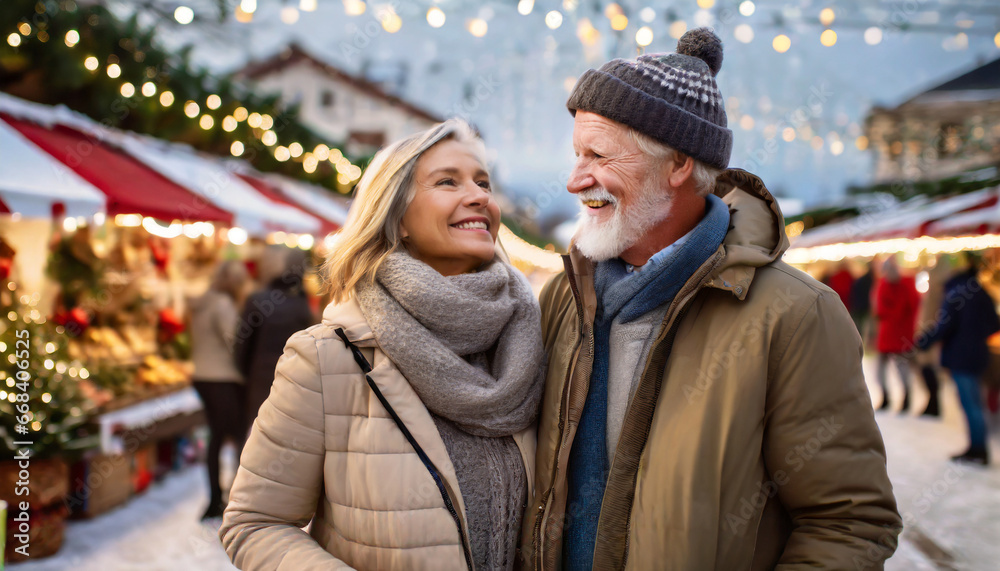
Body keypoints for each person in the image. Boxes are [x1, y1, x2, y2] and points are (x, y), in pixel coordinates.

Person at [519, 28, 901, 570]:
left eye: (599, 155)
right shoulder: (564, 295)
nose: (575, 180)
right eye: (577, 154)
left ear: (678, 164)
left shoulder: (794, 316)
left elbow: (849, 521)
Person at [219, 120, 546, 570]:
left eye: (482, 182)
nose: (479, 196)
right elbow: (255, 523)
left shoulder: (534, 341)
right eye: (448, 181)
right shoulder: (326, 357)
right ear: (397, 217)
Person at [917, 254, 1000, 465]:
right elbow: (994, 323)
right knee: (976, 403)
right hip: (978, 355)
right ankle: (977, 447)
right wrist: (977, 335)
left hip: (961, 356)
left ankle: (978, 449)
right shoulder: (982, 293)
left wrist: (925, 340)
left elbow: (945, 326)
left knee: (970, 403)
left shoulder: (955, 293)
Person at [188, 259, 248, 520]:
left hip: (202, 376)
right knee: (236, 436)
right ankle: (235, 499)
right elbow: (235, 341)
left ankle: (215, 497)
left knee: (215, 437)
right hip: (223, 378)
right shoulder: (223, 304)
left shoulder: (201, 302)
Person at [233, 245, 316, 427]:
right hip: (293, 379)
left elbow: (242, 344)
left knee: (257, 432)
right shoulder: (303, 305)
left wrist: (247, 375)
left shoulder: (257, 299)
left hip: (260, 377)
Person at [873, 256, 920, 412]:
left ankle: (896, 398)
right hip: (897, 334)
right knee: (895, 369)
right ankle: (897, 398)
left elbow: (879, 310)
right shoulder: (906, 285)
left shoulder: (887, 285)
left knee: (896, 368)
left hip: (895, 334)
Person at [851, 260, 876, 345]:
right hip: (864, 306)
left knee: (861, 327)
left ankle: (861, 343)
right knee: (863, 326)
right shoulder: (869, 279)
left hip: (860, 305)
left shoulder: (863, 279)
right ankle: (863, 343)